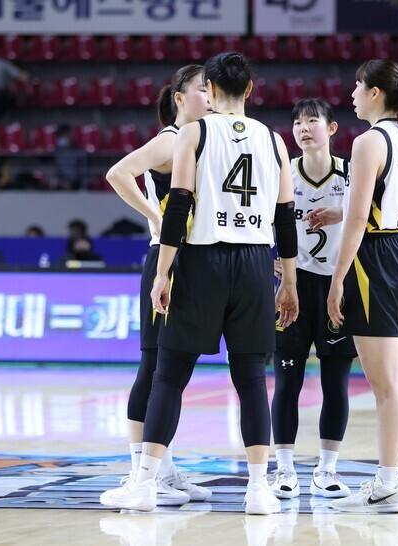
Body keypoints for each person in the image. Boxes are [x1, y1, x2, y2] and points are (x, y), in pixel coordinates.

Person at [106, 52, 299, 515]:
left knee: (169, 374)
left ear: (210, 89)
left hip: (202, 260)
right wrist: (289, 279)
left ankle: (145, 484)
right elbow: (285, 216)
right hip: (256, 261)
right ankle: (259, 489)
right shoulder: (274, 140)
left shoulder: (194, 132)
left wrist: (163, 270)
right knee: (251, 379)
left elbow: (179, 205)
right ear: (249, 89)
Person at [98, 65, 213, 509]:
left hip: (194, 261)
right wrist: (157, 215)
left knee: (174, 374)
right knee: (154, 368)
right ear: (180, 98)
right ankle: (138, 473)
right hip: (166, 261)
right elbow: (118, 173)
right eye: (203, 90)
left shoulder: (202, 140)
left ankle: (161, 469)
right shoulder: (170, 139)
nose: (211, 97)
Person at [325, 59, 398, 513]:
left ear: (375, 93)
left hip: (376, 258)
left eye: (357, 85)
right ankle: (395, 478)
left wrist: (337, 279)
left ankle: (388, 484)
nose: (351, 93)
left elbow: (357, 219)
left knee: (386, 385)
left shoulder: (370, 141)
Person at [270, 99, 356, 501]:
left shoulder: (351, 174)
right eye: (298, 123)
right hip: (294, 285)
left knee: (335, 382)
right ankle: (285, 470)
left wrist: (341, 213)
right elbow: (260, 219)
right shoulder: (283, 172)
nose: (304, 128)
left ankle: (326, 470)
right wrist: (269, 258)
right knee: (287, 380)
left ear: (332, 128)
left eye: (312, 121)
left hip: (338, 285)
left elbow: (369, 220)